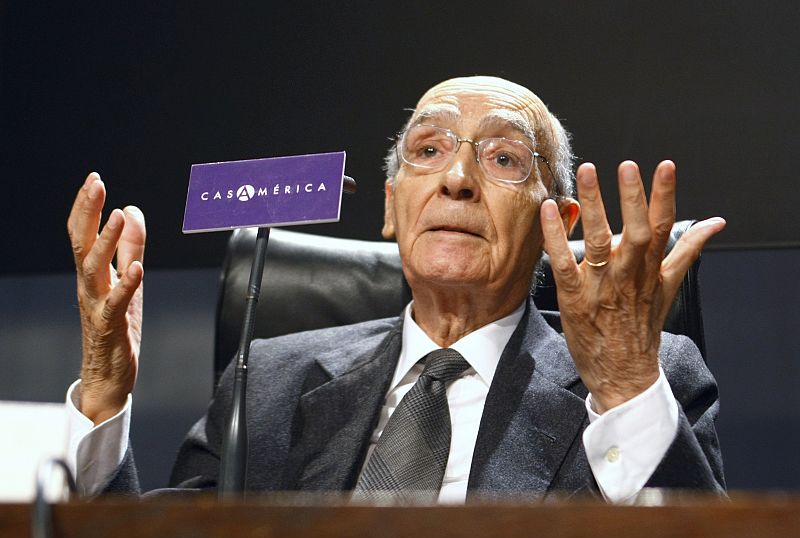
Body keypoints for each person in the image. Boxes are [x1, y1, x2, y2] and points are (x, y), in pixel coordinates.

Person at [65, 76, 726, 503]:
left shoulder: (649, 379)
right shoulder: (269, 381)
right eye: (429, 150)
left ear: (561, 222)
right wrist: (102, 398)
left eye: (503, 158)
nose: (457, 179)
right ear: (391, 205)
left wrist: (623, 386)